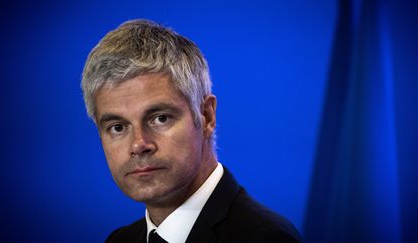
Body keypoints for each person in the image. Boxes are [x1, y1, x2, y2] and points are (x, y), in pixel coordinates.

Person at [81, 19, 302, 243]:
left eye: (160, 118)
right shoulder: (119, 240)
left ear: (207, 116)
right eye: (117, 127)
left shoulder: (267, 239)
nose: (138, 144)